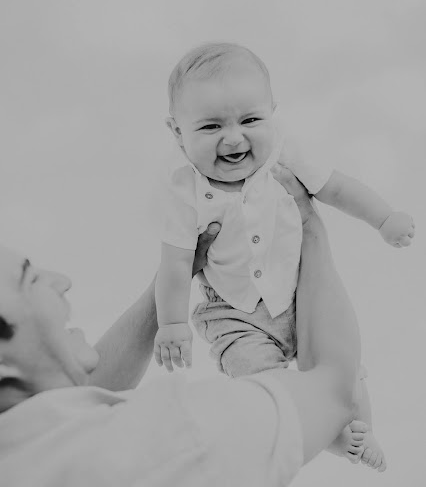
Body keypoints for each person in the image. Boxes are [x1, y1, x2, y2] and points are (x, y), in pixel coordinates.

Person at [0, 168, 362, 486]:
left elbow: (70, 402)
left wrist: (172, 280)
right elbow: (333, 389)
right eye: (30, 280)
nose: (61, 281)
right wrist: (308, 225)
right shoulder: (173, 439)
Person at [155, 42, 414, 472]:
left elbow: (337, 188)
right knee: (267, 383)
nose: (234, 138)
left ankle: (361, 428)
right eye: (210, 127)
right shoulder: (184, 192)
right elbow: (176, 264)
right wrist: (172, 323)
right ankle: (330, 440)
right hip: (235, 314)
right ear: (177, 132)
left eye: (251, 119)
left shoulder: (285, 154)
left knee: (344, 365)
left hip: (300, 295)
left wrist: (383, 218)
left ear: (273, 113)